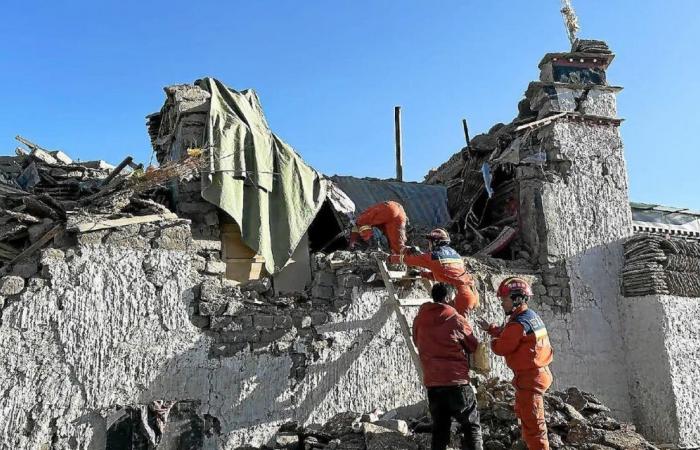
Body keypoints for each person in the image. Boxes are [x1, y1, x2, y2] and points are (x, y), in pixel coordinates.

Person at [476, 277, 554, 450]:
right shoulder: (528, 316)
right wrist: (491, 329)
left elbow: (502, 346)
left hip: (530, 379)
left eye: (504, 300)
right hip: (536, 374)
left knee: (534, 426)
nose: (502, 303)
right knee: (526, 418)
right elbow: (510, 333)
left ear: (517, 299)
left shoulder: (518, 323)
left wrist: (492, 340)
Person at [413, 283, 483, 450]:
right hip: (456, 383)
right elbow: (472, 345)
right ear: (448, 298)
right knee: (471, 426)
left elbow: (417, 341)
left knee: (440, 430)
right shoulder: (456, 319)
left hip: (433, 384)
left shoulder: (420, 319)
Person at [389, 228, 479, 314]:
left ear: (435, 242)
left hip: (464, 297)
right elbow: (443, 274)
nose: (429, 244)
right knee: (449, 318)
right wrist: (421, 273)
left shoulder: (433, 257)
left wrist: (390, 258)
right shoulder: (455, 255)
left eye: (430, 242)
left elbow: (408, 259)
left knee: (455, 327)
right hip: (472, 293)